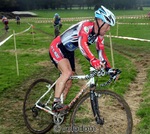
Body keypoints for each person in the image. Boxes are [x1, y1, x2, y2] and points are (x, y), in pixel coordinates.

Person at [49, 6, 118, 112]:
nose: (108, 29)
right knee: (66, 73)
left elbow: (101, 53)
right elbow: (82, 44)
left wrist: (109, 69)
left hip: (69, 51)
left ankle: (60, 109)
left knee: (69, 80)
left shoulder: (99, 36)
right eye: (108, 25)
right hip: (58, 46)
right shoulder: (86, 26)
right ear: (100, 21)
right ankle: (56, 102)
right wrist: (93, 59)